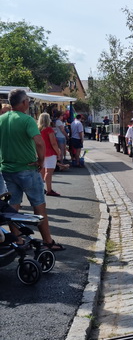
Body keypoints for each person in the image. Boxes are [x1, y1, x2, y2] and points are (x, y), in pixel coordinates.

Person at [0, 88, 65, 250]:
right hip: (27, 168)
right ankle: (48, 241)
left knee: (13, 206)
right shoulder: (27, 120)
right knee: (39, 205)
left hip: (7, 168)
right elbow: (39, 142)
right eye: (27, 101)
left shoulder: (2, 119)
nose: (28, 103)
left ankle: (18, 240)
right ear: (23, 102)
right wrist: (40, 161)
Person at [38, 113, 62, 196]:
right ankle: (49, 189)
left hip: (40, 152)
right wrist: (58, 152)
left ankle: (40, 188)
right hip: (50, 152)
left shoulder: (38, 130)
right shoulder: (49, 129)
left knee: (42, 171)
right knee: (49, 172)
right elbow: (53, 143)